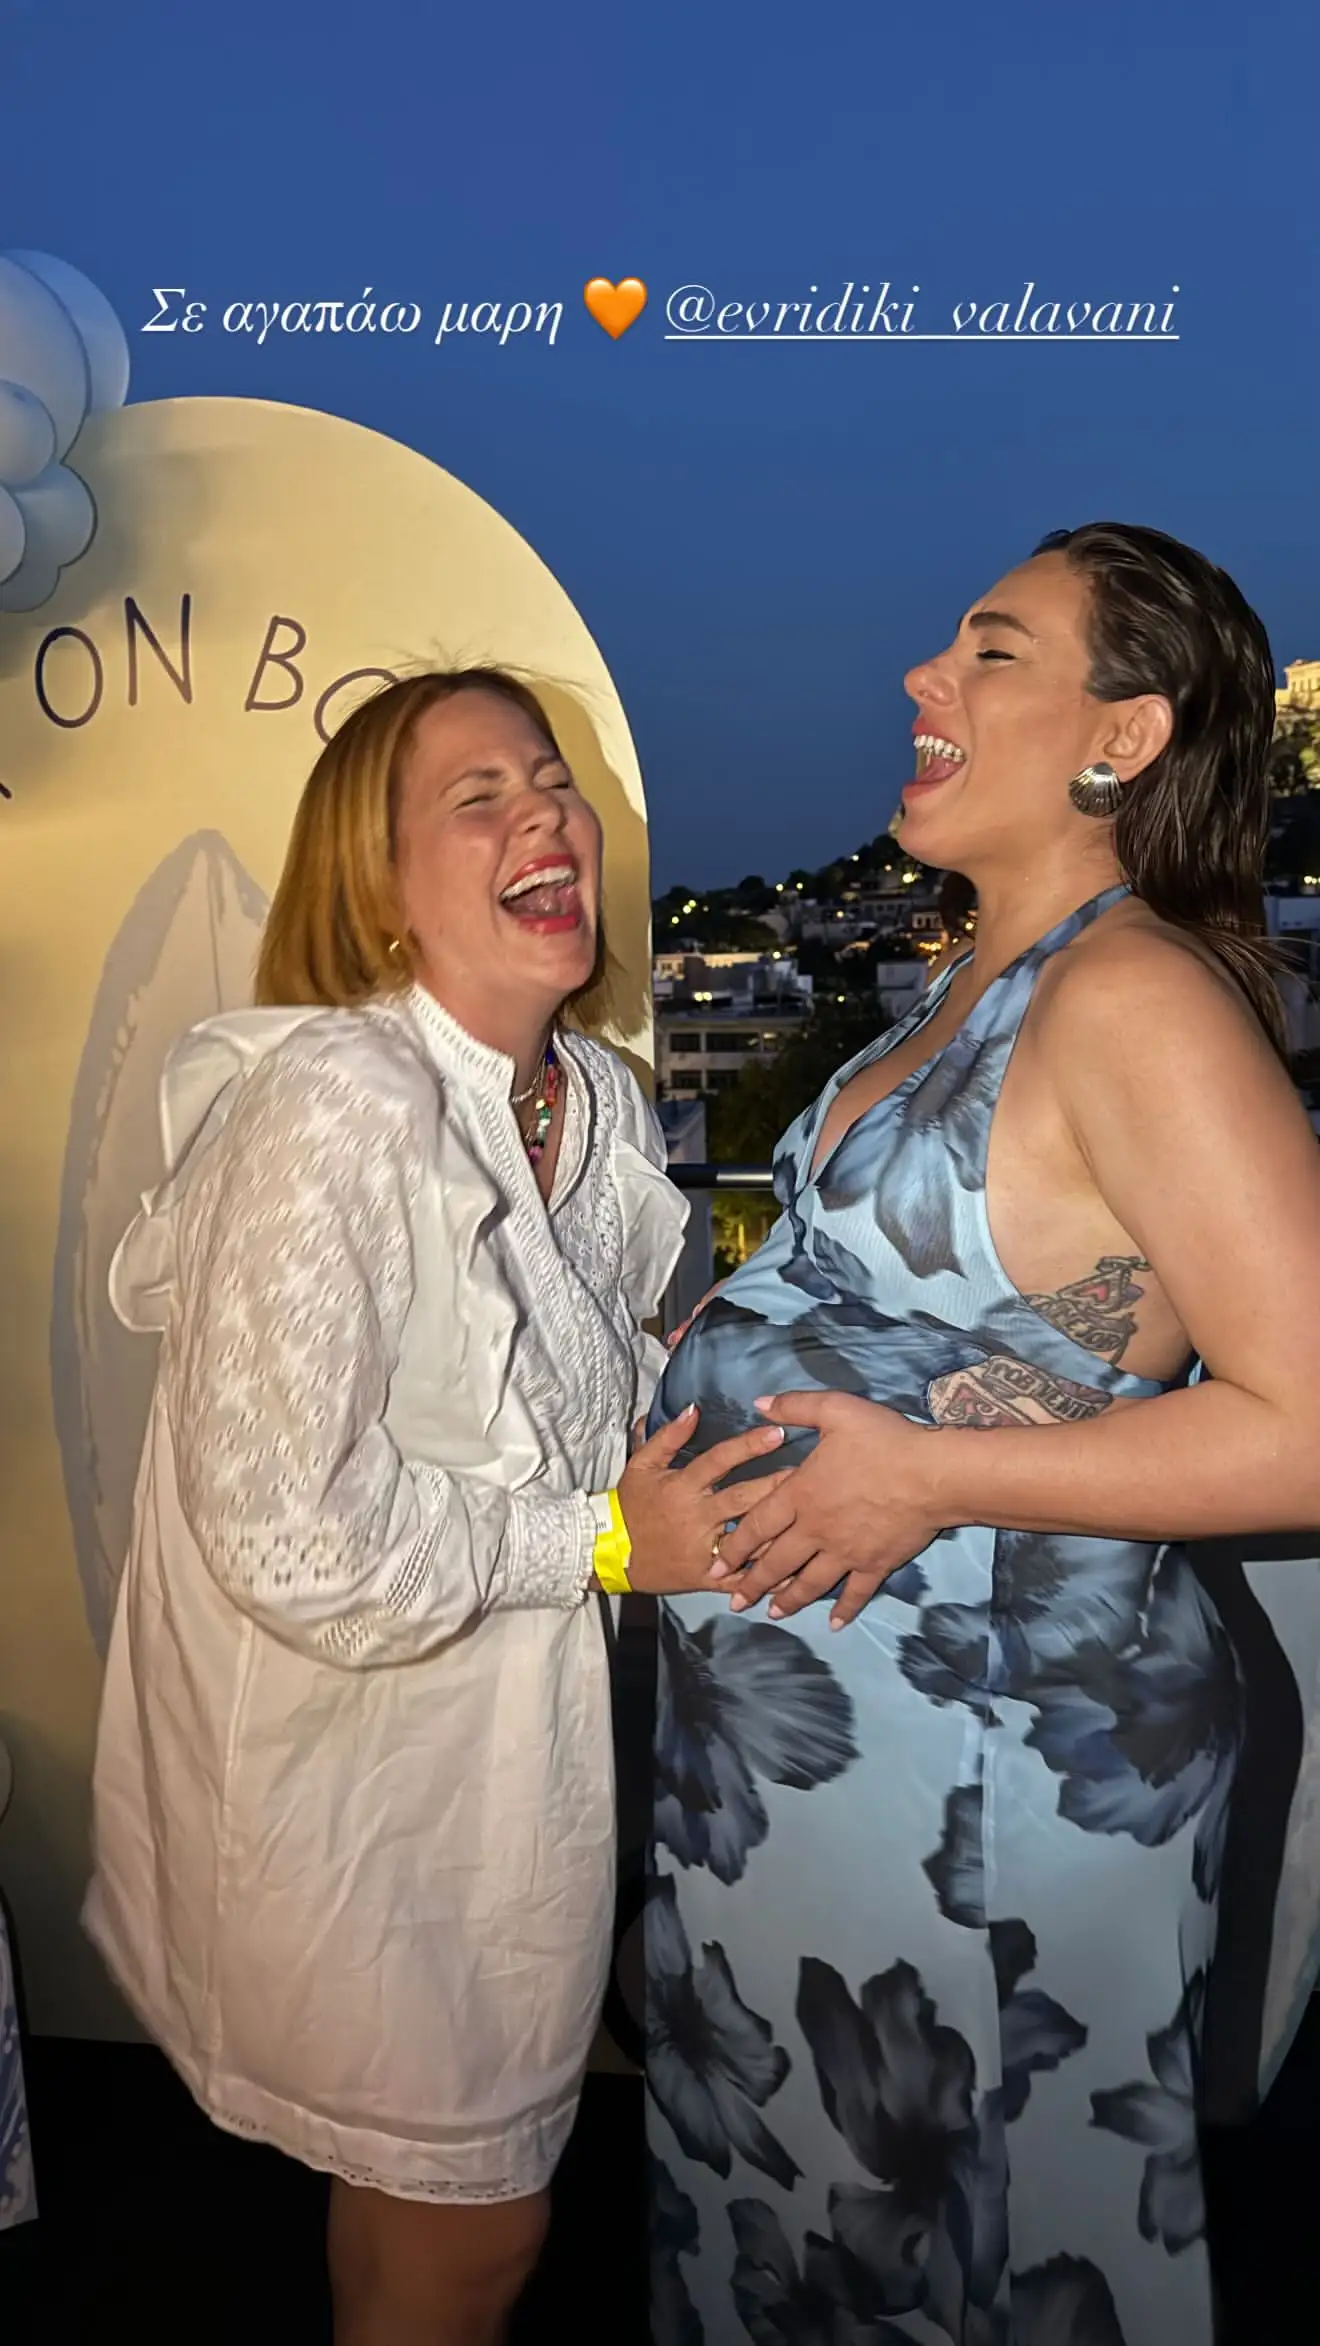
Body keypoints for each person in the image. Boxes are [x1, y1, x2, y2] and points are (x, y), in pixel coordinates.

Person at [644, 525, 1320, 2346]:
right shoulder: (962, 985)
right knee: (820, 2248)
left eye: (992, 651)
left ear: (1125, 734)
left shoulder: (1133, 996)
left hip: (983, 1789)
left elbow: (1310, 1421)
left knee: (983, 2261)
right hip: (819, 1784)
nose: (922, 679)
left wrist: (934, 1471)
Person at [82, 667, 787, 2346]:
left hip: (497, 1765)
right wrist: (602, 1540)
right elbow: (284, 1527)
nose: (546, 813)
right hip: (357, 1787)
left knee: (425, 2216)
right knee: (472, 2227)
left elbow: (568, 1370)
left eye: (551, 782)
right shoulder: (336, 1099)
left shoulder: (590, 1096)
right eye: (480, 796)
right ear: (380, 889)